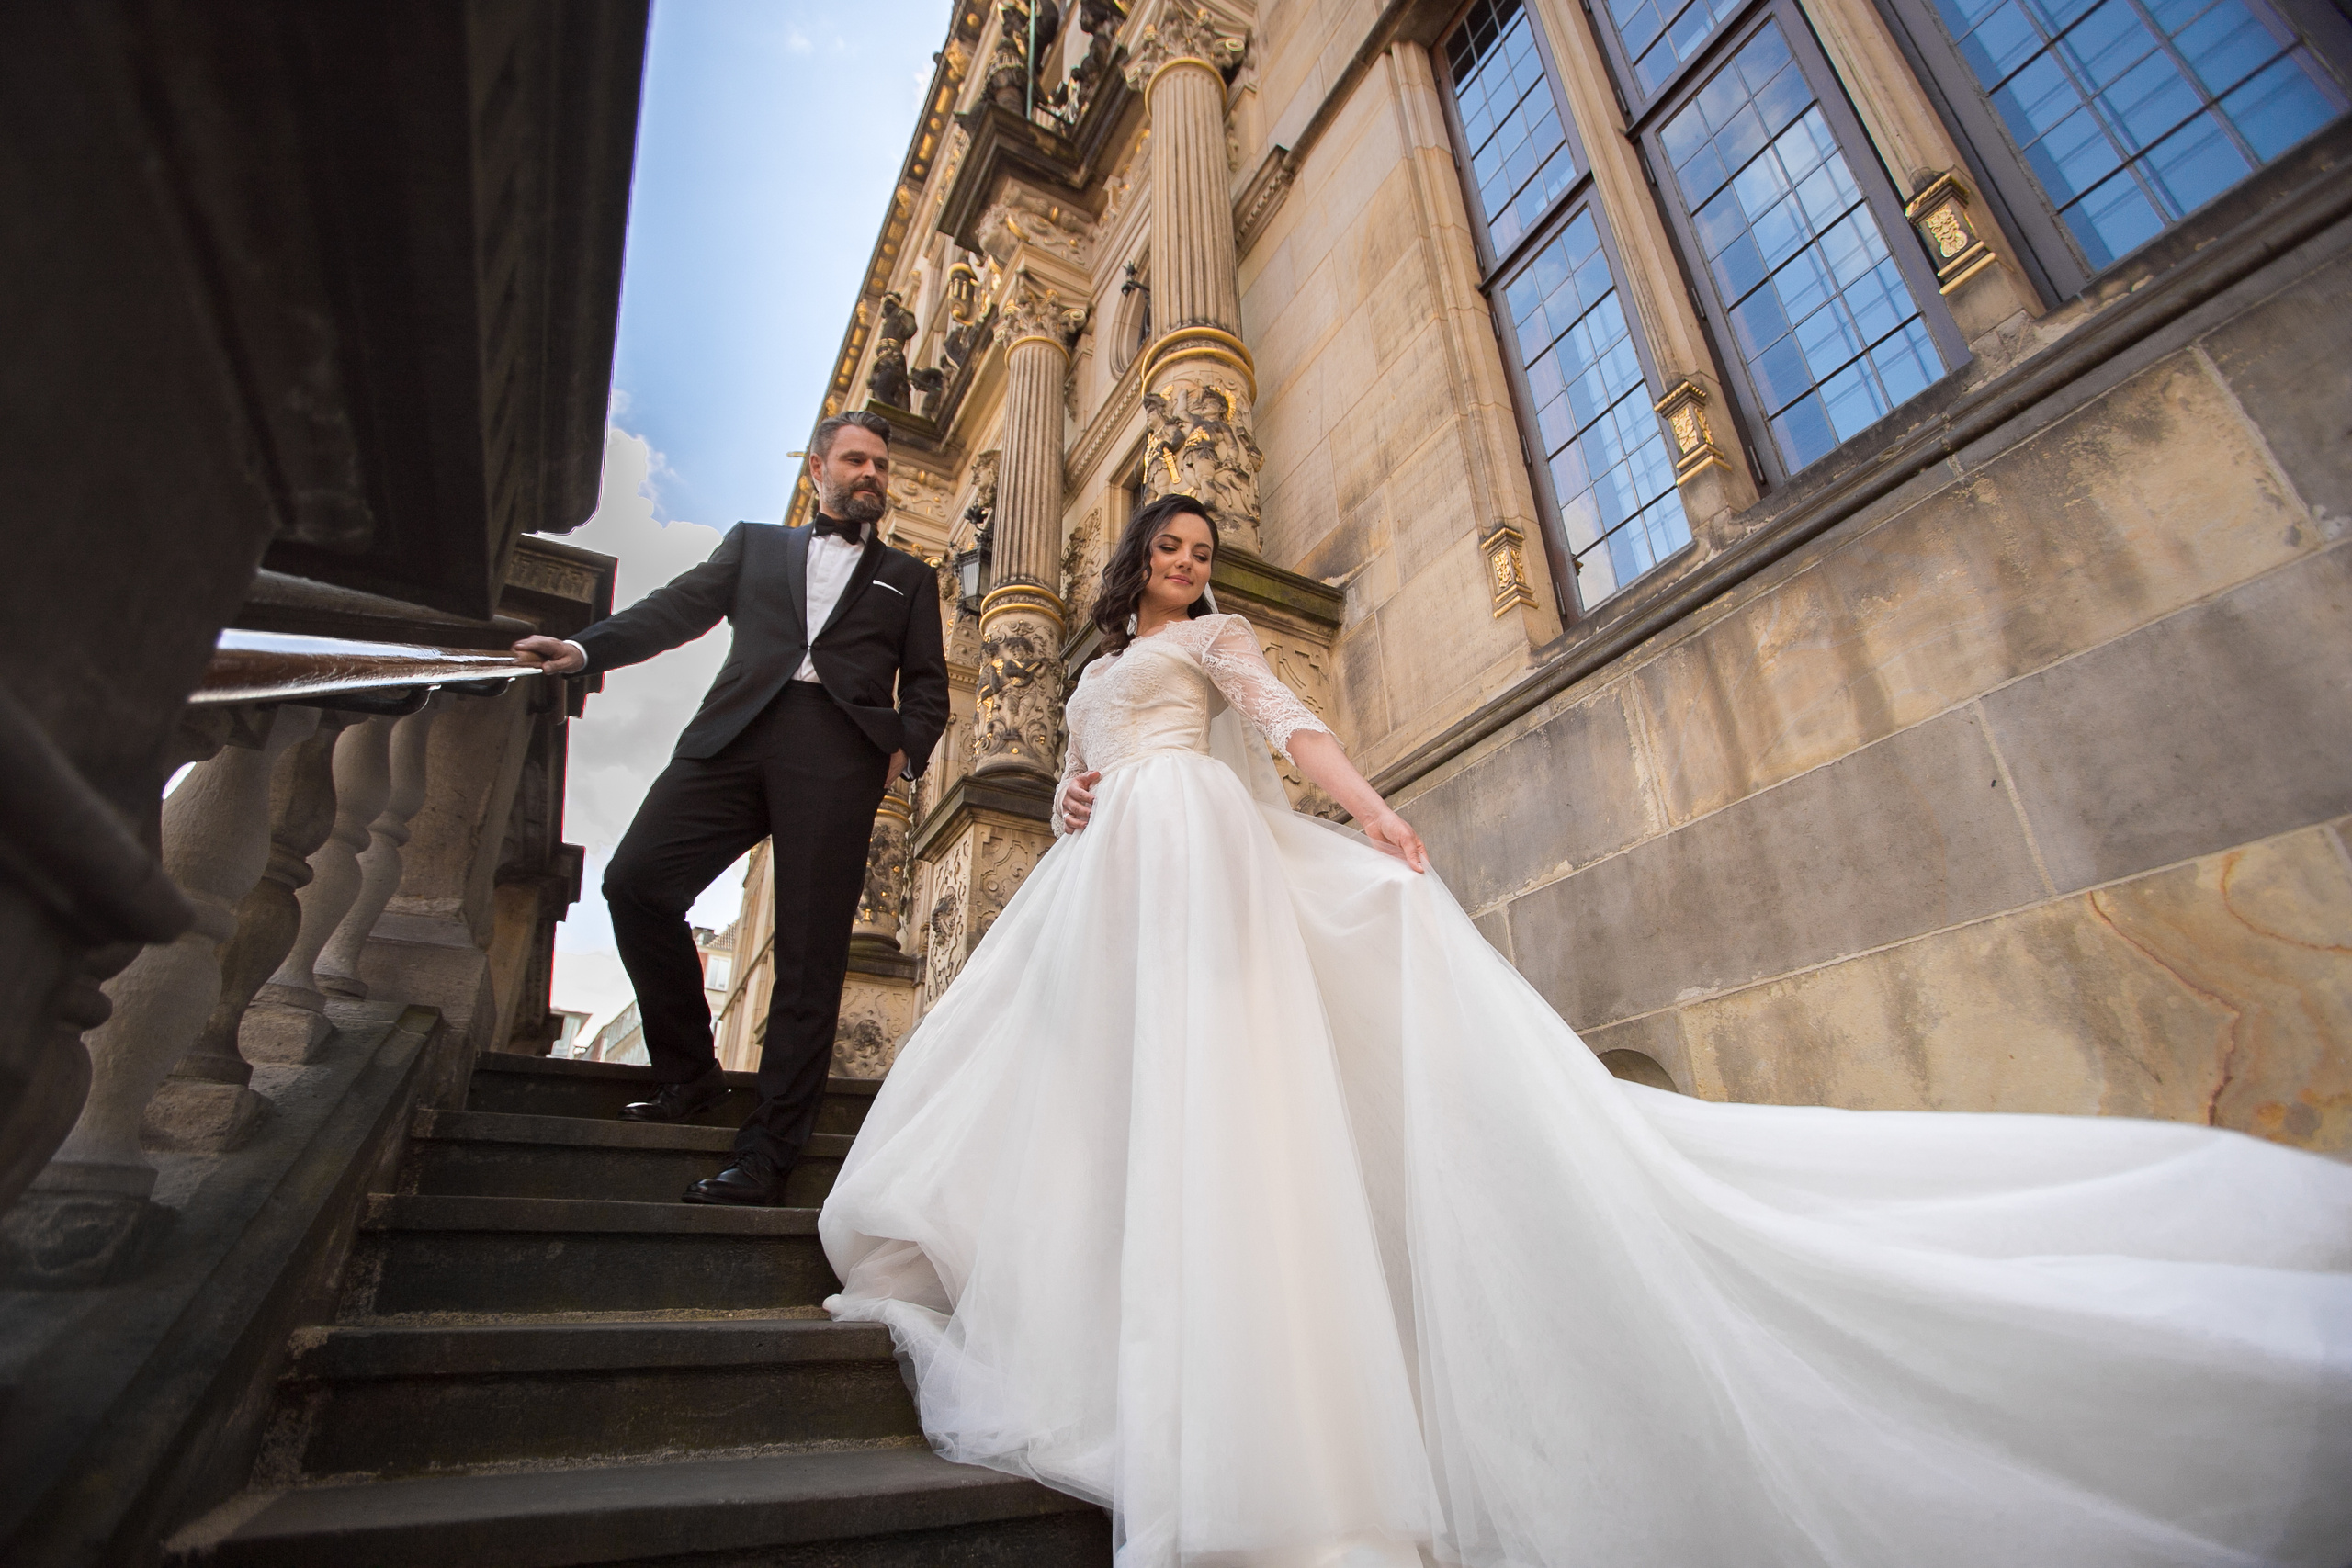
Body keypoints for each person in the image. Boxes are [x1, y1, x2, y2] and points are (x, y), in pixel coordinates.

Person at [820, 492, 2352, 1567]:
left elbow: (1292, 732)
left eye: (1204, 548)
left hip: (1206, 852)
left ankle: (1241, 1397)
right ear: (1131, 564)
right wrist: (1079, 796)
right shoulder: (1095, 671)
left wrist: (1377, 813)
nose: (1187, 560)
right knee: (1111, 1096)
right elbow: (1086, 768)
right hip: (1113, 868)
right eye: (1169, 545)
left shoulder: (1219, 641)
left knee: (1227, 1083)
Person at [514, 411, 947, 1205]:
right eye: (856, 460)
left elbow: (927, 686)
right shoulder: (756, 544)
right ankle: (689, 1073)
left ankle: (768, 1155)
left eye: (881, 464)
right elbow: (676, 610)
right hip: (733, 738)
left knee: (811, 960)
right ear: (818, 468)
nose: (872, 474)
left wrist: (902, 749)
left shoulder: (909, 578)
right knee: (637, 883)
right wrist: (584, 649)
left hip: (839, 756)